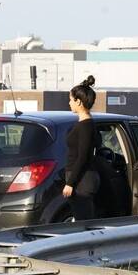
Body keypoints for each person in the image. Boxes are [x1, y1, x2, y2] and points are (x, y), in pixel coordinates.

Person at [62, 75, 101, 221]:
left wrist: (70, 183)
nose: (69, 103)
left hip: (82, 181)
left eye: (71, 99)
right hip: (80, 178)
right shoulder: (87, 125)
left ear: (78, 101)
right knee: (82, 218)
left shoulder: (86, 126)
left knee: (83, 220)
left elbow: (83, 156)